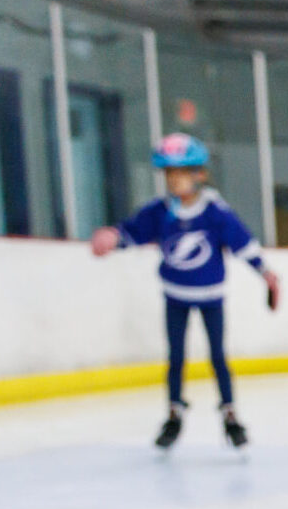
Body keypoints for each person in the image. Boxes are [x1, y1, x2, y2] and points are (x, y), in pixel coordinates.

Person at [90, 133, 278, 450]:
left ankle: (230, 414)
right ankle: (174, 413)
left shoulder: (215, 212)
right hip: (175, 295)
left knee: (218, 356)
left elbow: (242, 243)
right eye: (169, 174)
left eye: (181, 173)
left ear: (200, 174)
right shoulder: (162, 211)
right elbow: (134, 232)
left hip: (210, 296)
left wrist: (266, 273)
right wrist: (113, 237)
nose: (174, 181)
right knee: (175, 357)